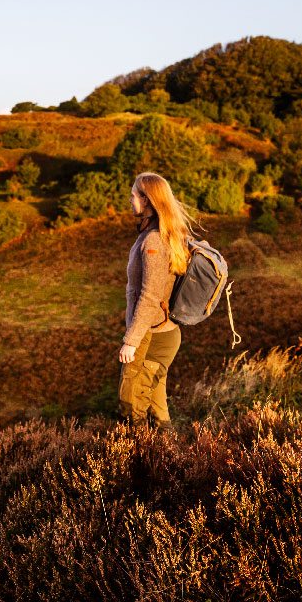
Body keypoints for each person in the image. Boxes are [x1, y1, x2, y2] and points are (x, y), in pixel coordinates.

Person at [117, 172, 193, 429]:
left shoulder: (153, 240)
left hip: (152, 335)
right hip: (162, 332)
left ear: (147, 200)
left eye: (133, 196)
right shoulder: (159, 234)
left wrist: (131, 341)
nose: (130, 200)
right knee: (154, 405)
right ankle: (169, 459)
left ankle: (142, 461)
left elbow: (149, 295)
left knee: (131, 404)